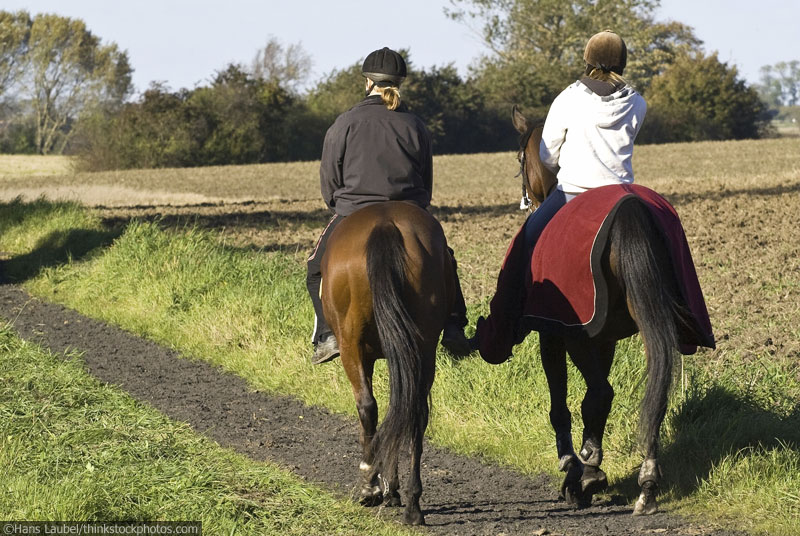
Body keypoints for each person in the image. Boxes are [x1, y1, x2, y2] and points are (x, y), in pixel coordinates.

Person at [306, 47, 470, 365]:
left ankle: (327, 335)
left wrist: (339, 205)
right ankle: (453, 326)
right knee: (445, 260)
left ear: (368, 82)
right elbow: (426, 181)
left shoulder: (344, 123)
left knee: (316, 268)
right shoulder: (415, 125)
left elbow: (329, 182)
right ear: (399, 83)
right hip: (410, 210)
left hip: (353, 210)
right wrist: (416, 208)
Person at [522, 30, 647, 254]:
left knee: (526, 239)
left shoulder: (568, 97)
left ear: (588, 62)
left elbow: (548, 154)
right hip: (621, 193)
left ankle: (511, 290)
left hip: (572, 192)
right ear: (622, 64)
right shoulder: (638, 103)